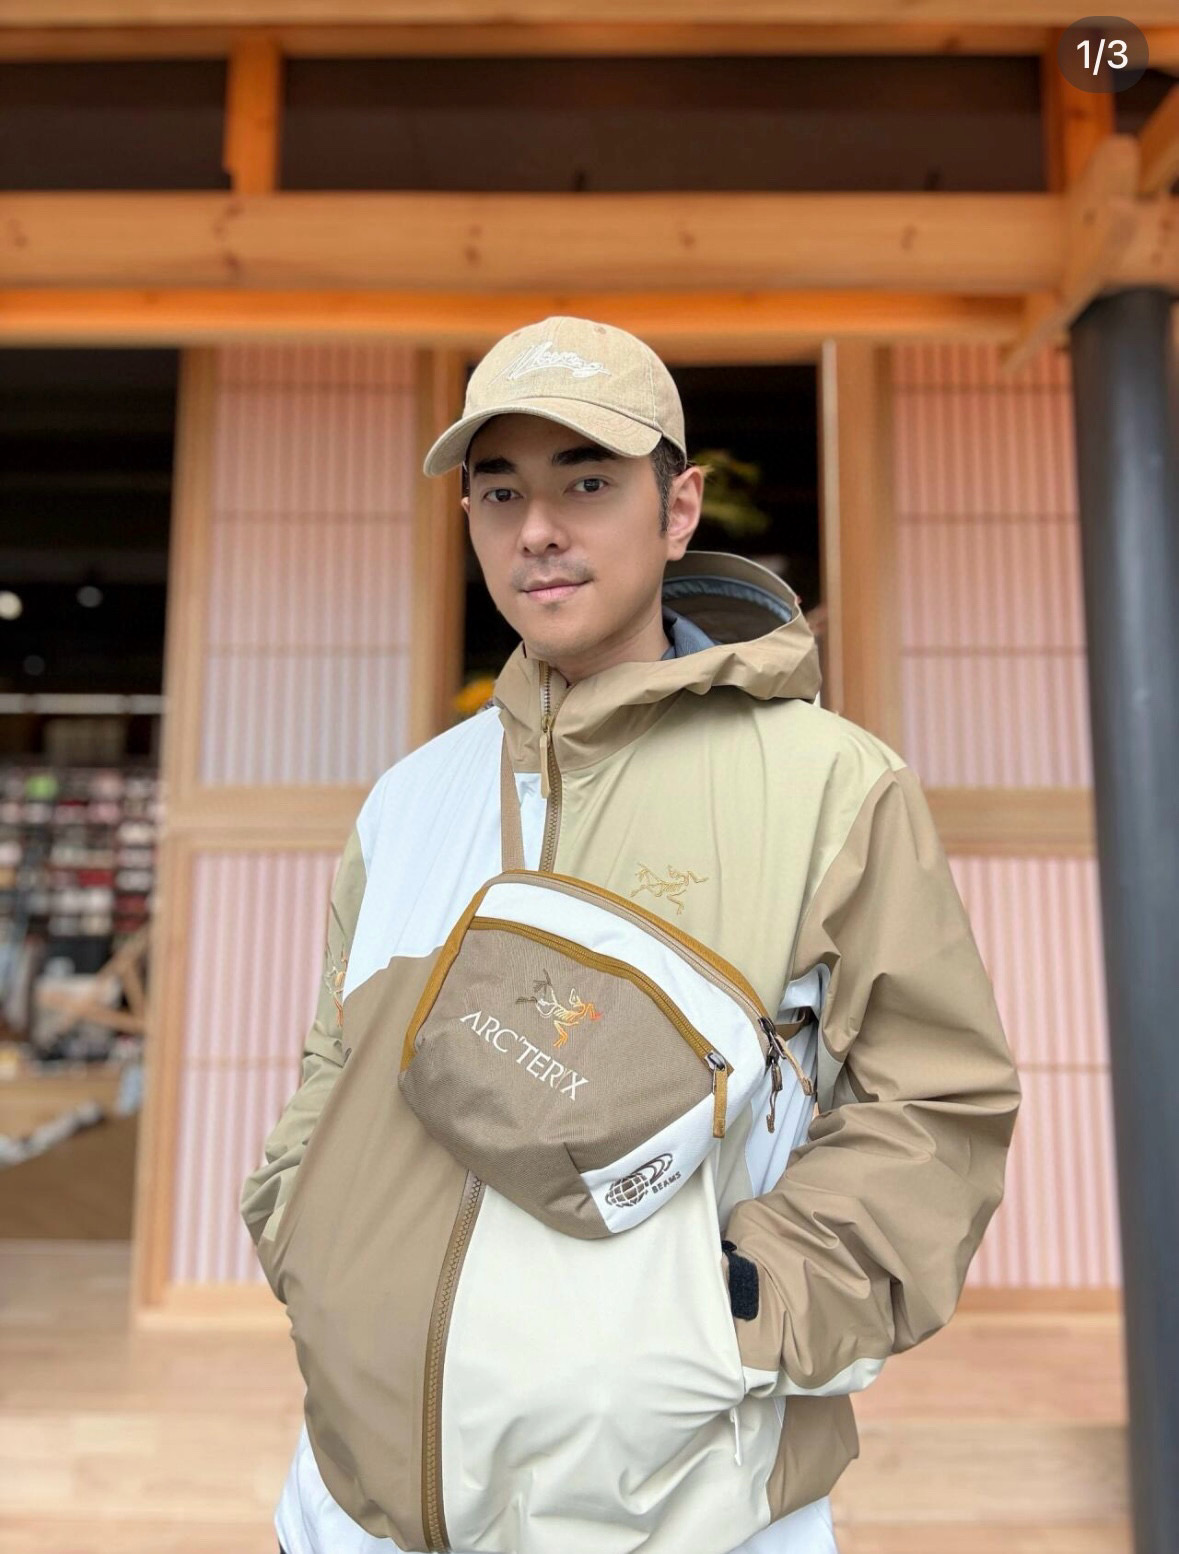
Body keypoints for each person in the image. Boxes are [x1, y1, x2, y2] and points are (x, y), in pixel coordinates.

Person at [241, 315, 1021, 1554]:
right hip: (350, 1508)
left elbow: (937, 1104)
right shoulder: (411, 798)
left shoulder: (831, 786)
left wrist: (746, 1310)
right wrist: (305, 1233)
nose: (537, 529)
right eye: (501, 491)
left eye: (588, 483)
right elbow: (333, 1069)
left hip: (686, 1511)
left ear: (678, 509)